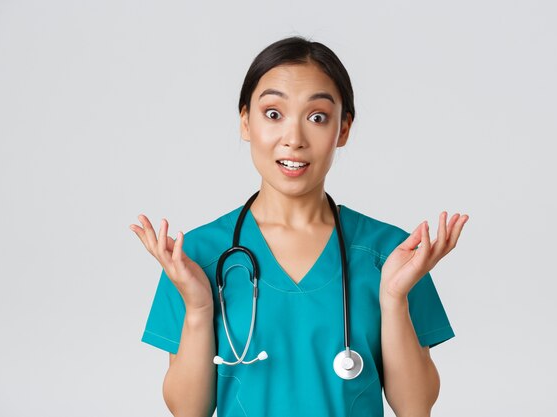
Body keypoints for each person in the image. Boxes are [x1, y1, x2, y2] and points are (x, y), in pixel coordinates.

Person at [131, 36, 469, 417]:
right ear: (245, 122)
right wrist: (197, 307)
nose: (294, 140)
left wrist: (394, 300)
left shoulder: (393, 255)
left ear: (343, 130)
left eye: (318, 117)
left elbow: (415, 407)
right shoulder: (196, 256)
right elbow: (187, 411)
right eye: (273, 114)